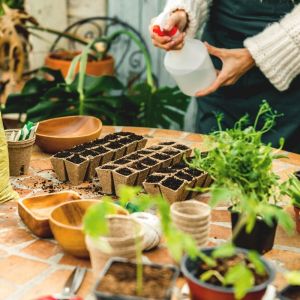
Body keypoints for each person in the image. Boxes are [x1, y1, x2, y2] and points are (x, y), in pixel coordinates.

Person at [150, 0, 300, 153]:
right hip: (218, 69)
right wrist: (182, 12)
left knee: (281, 168)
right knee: (211, 163)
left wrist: (256, 54)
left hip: (289, 68)